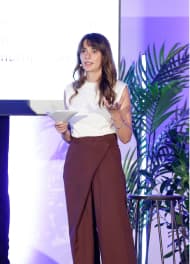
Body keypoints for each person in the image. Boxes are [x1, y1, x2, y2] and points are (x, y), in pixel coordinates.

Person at [55, 33, 136, 264]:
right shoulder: (70, 90)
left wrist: (115, 115)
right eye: (83, 51)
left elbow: (126, 137)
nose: (87, 56)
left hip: (106, 156)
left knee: (113, 225)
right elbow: (72, 137)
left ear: (103, 55)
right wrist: (64, 131)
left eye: (93, 51)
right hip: (77, 158)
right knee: (80, 227)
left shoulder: (119, 89)